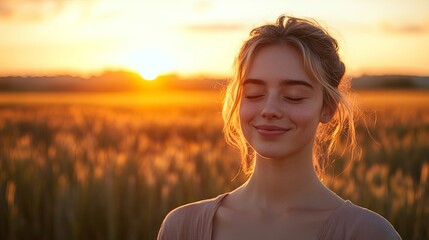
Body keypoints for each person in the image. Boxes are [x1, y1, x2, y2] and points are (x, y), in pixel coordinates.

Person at [157, 15, 401, 240]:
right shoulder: (182, 228)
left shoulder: (368, 233)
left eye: (293, 96)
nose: (269, 109)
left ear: (328, 108)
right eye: (253, 94)